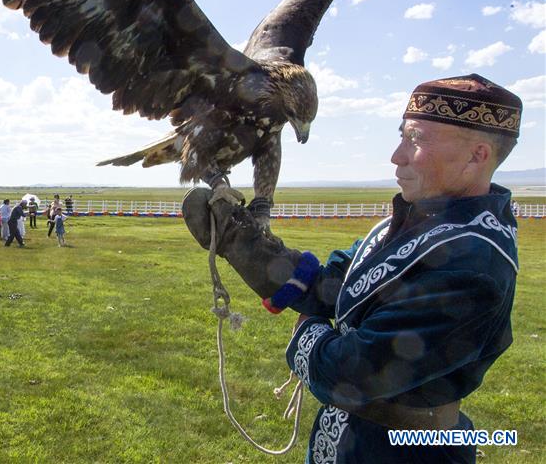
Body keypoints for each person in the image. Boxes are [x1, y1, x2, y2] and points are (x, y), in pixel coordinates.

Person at [183, 73, 523, 464]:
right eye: (401, 136)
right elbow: (331, 286)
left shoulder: (474, 262)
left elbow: (349, 373)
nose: (396, 156)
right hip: (347, 441)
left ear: (477, 155)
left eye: (415, 139)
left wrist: (306, 330)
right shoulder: (414, 222)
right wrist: (247, 247)